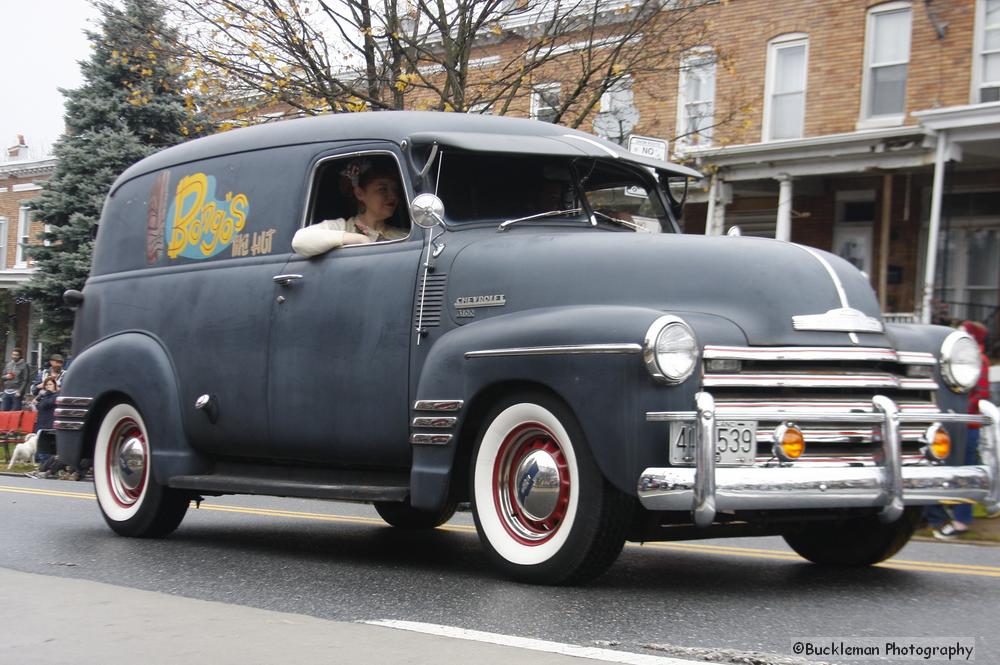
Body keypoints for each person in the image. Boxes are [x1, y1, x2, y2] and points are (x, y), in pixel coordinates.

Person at [292, 159, 407, 258]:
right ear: (359, 193)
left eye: (395, 190)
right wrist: (359, 240)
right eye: (382, 189)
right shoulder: (342, 227)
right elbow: (299, 241)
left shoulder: (404, 235)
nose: (393, 196)